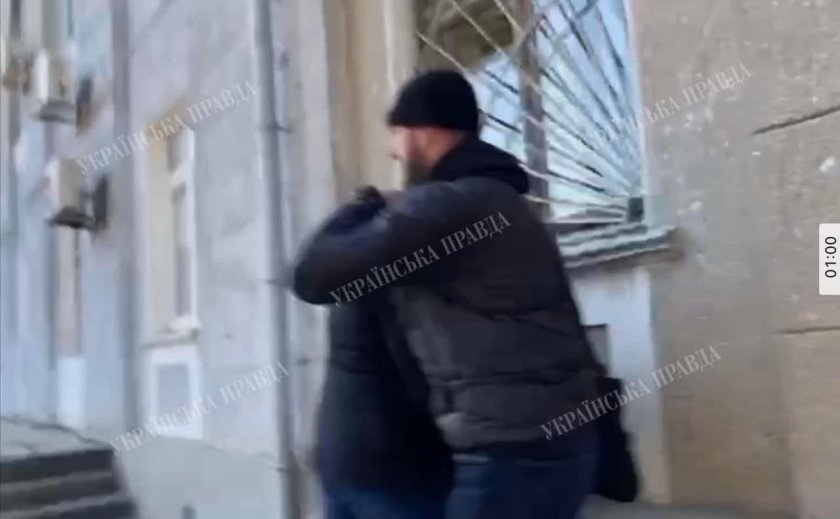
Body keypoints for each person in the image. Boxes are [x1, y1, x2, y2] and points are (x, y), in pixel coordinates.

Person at [293, 70, 601, 519]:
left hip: (511, 453)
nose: (393, 150)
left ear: (422, 132)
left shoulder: (450, 206)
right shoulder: (504, 203)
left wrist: (364, 204)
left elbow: (314, 277)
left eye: (396, 133)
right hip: (555, 444)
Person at [292, 190, 452, 519]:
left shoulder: (353, 281)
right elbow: (418, 376)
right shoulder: (398, 286)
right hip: (394, 465)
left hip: (340, 452)